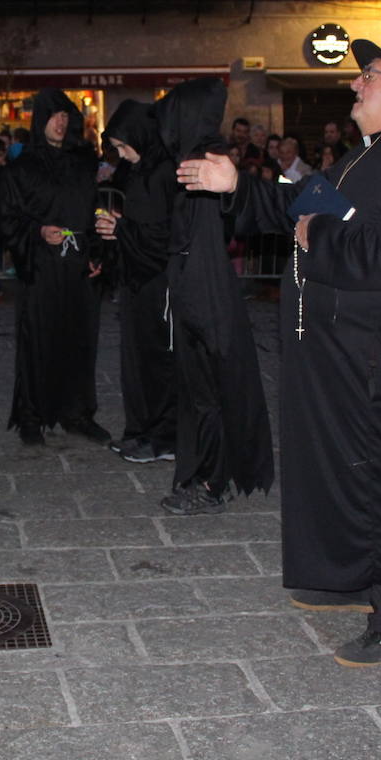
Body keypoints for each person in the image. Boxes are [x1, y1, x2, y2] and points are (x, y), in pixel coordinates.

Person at [177, 41, 381, 666]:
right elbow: (297, 202)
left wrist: (321, 233)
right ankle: (346, 576)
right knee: (334, 465)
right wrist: (235, 185)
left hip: (373, 353)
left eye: (368, 77)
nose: (355, 86)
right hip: (334, 346)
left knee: (377, 472)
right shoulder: (366, 155)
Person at [156, 78, 274, 514]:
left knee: (213, 391)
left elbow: (225, 218)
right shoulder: (190, 154)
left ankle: (212, 481)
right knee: (198, 393)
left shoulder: (210, 157)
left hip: (207, 293)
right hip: (192, 287)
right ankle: (200, 473)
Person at [0, 89, 108, 446]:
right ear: (40, 119)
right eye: (54, 116)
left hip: (77, 264)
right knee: (39, 340)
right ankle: (33, 414)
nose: (61, 123)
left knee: (79, 339)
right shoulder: (23, 167)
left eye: (66, 116)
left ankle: (76, 412)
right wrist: (37, 231)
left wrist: (96, 253)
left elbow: (92, 211)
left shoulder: (82, 162)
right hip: (42, 265)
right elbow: (9, 218)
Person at [97, 100, 178, 465]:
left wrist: (122, 229)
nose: (120, 154)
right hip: (135, 280)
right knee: (135, 361)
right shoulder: (138, 171)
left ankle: (162, 437)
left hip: (157, 282)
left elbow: (164, 235)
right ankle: (140, 430)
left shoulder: (163, 172)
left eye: (122, 145)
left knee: (157, 361)